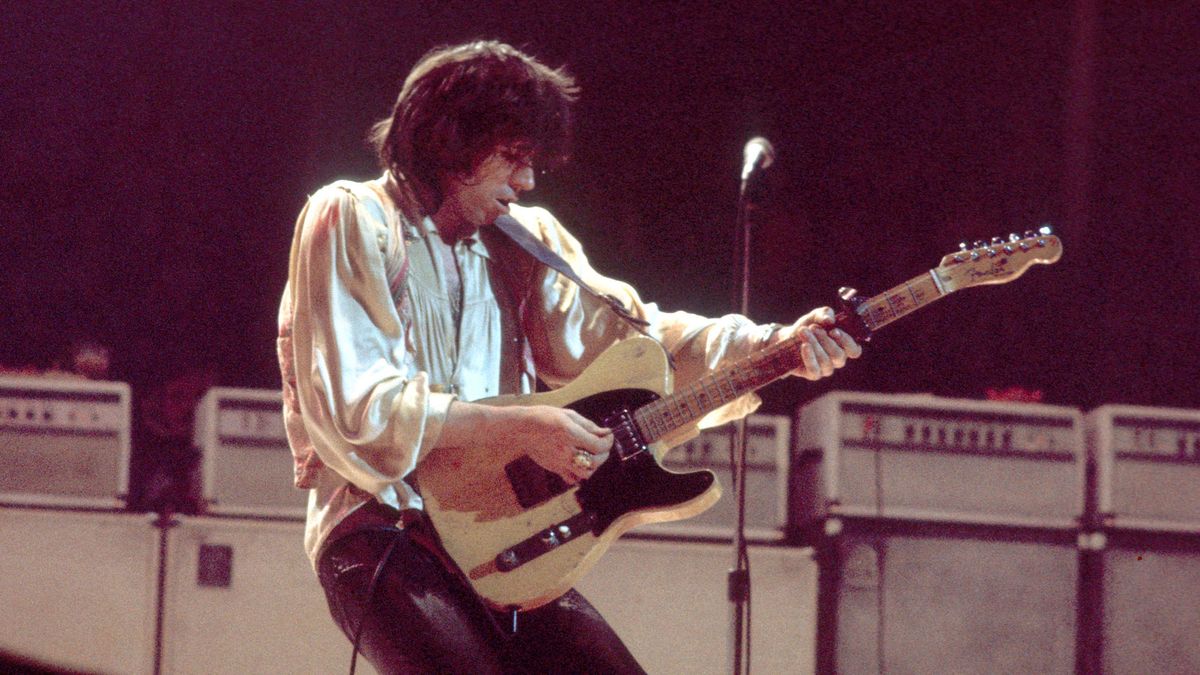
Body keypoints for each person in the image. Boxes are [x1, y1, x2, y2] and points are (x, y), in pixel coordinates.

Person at [277, 40, 861, 674]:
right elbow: (362, 409)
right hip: (384, 530)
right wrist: (526, 426)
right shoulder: (352, 216)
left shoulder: (526, 238)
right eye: (512, 158)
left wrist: (774, 346)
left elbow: (639, 344)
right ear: (452, 142)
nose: (526, 183)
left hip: (506, 534)